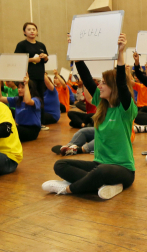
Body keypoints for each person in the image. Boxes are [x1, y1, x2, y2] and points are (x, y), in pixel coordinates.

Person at [42, 34, 137, 200]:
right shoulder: (101, 104)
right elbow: (86, 78)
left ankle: (68, 189)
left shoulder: (125, 109)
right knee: (61, 164)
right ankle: (102, 185)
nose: (99, 85)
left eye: (104, 83)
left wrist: (120, 53)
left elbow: (122, 83)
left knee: (101, 172)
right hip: (99, 164)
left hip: (123, 170)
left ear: (113, 88)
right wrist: (76, 54)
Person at [0, 74, 42, 142]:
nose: (19, 89)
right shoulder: (17, 100)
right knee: (4, 130)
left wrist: (26, 84)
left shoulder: (36, 100)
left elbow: (27, 101)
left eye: (22, 87)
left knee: (8, 133)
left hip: (32, 130)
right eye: (19, 87)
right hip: (20, 127)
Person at [14, 22, 49, 98]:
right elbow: (17, 59)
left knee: (40, 98)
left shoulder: (41, 45)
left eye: (34, 29)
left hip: (40, 76)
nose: (32, 31)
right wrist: (32, 59)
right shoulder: (21, 45)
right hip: (28, 77)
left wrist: (45, 57)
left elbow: (46, 60)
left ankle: (41, 110)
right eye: (29, 29)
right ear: (24, 32)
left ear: (37, 32)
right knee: (30, 97)